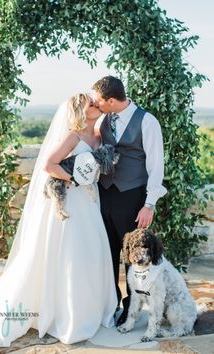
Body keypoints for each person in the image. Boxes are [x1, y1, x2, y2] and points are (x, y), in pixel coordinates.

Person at [0, 93, 117, 354]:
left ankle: (95, 309)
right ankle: (70, 315)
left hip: (90, 201)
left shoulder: (98, 136)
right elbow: (49, 164)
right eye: (91, 103)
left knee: (92, 253)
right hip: (73, 201)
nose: (97, 105)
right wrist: (73, 179)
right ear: (79, 111)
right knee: (73, 254)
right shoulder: (73, 136)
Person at [92, 76, 167, 326]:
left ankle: (130, 307)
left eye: (99, 101)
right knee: (107, 250)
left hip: (132, 194)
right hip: (104, 192)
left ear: (111, 101)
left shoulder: (147, 121)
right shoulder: (103, 119)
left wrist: (149, 204)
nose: (96, 104)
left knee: (130, 256)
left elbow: (156, 166)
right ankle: (108, 303)